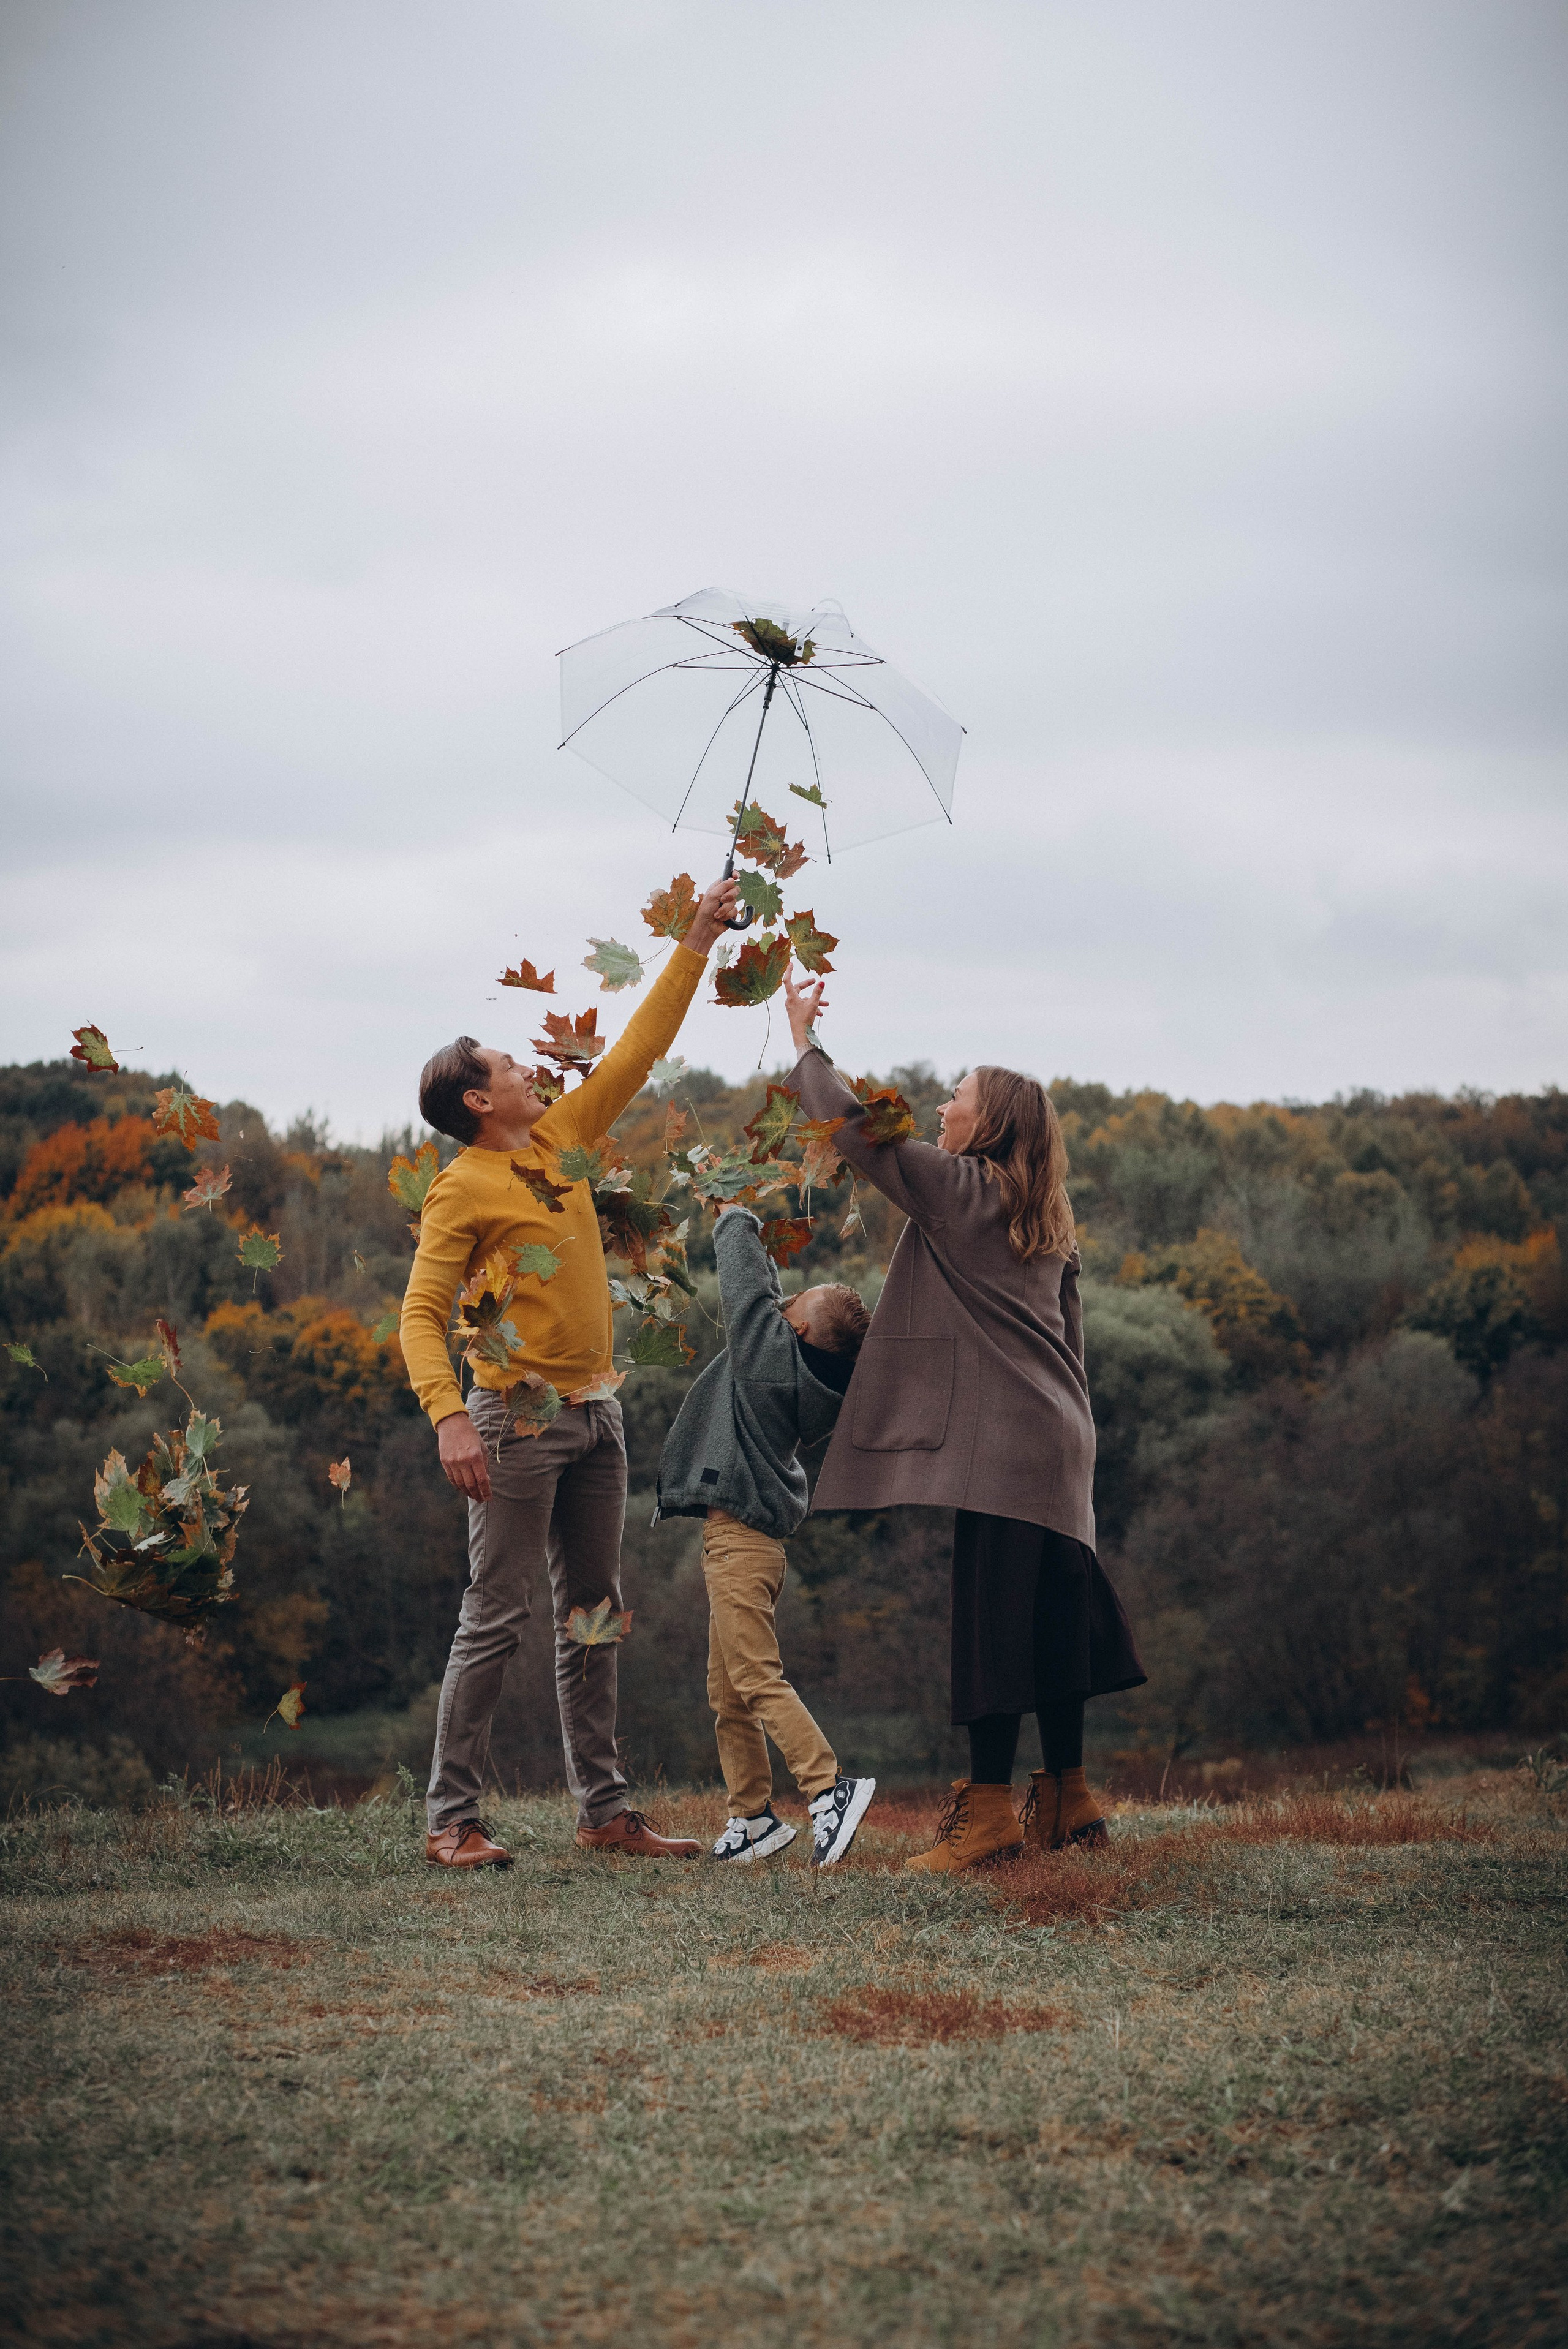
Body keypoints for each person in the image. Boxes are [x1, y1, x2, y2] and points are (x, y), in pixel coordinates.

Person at [400, 871, 739, 1869]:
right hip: (512, 1420)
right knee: (495, 1616)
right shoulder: (462, 1188)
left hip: (597, 1416)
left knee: (594, 1618)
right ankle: (450, 1821)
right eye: (509, 1063)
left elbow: (639, 1048)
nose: (528, 1066)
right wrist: (448, 1417)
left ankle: (604, 1812)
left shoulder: (562, 1139)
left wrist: (697, 938)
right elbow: (420, 1315)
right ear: (478, 1098)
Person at [780, 968, 1146, 1873]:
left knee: (993, 1626)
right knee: (1053, 1621)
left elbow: (858, 1133)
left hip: (1002, 1449)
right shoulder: (1047, 1218)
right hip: (1061, 1439)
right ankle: (1068, 1797)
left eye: (957, 1096)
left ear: (988, 1127)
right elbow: (1072, 1342)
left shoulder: (961, 1189)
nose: (941, 1106)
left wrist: (803, 1041)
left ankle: (986, 1817)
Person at [655, 1204, 876, 1867]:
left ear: (796, 1330)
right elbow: (768, 1300)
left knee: (755, 1678)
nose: (782, 1303)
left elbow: (748, 1290)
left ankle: (828, 1788)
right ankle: (751, 1818)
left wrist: (735, 1216)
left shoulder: (768, 1361)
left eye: (793, 1305)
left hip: (738, 1544)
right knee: (729, 1694)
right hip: (751, 1545)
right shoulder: (801, 1373)